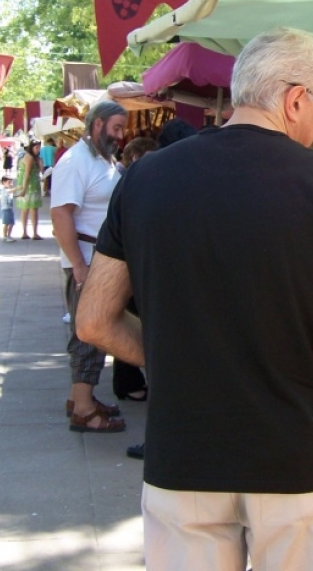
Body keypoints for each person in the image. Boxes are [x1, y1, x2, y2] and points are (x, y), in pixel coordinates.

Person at [77, 26, 313, 571]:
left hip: (184, 453)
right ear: (296, 99)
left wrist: (177, 361)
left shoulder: (144, 176)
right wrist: (302, 366)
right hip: (293, 454)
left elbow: (94, 323)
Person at [51, 100, 132, 433]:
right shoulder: (75, 162)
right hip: (87, 259)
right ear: (97, 125)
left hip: (100, 259)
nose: (121, 135)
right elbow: (61, 215)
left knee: (93, 332)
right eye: (116, 128)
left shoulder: (101, 157)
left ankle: (79, 398)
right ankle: (84, 409)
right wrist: (79, 265)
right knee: (88, 333)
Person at [116, 125, 192, 461]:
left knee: (165, 373)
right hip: (190, 292)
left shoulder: (148, 184)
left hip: (159, 288)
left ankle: (160, 441)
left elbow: (94, 322)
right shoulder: (205, 186)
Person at [16, 139, 44, 239]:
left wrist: (40, 163)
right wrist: (24, 189)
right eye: (36, 147)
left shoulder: (32, 157)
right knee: (32, 210)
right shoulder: (30, 158)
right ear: (31, 147)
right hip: (30, 186)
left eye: (39, 147)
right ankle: (33, 233)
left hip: (29, 185)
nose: (38, 149)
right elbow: (27, 174)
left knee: (26, 209)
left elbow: (41, 171)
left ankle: (26, 232)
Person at [0, 175, 16, 242]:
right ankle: (5, 236)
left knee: (11, 223)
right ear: (4, 182)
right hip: (5, 209)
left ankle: (8, 235)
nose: (11, 184)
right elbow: (9, 192)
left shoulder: (8, 189)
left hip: (10, 208)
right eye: (9, 182)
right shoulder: (4, 190)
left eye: (11, 182)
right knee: (6, 223)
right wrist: (17, 188)